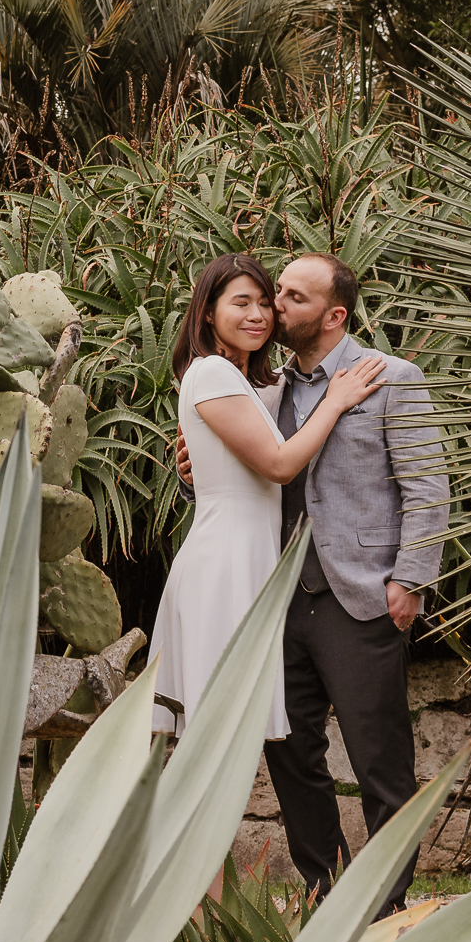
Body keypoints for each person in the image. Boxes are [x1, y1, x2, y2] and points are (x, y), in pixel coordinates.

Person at [176, 253, 449, 904]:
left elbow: (428, 488)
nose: (274, 307)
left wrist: (408, 579)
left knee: (380, 762)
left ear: (333, 315)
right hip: (277, 603)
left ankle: (384, 906)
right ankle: (329, 888)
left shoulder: (392, 378)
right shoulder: (264, 391)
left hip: (361, 598)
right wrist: (190, 478)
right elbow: (244, 474)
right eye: (274, 294)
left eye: (292, 298)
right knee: (291, 756)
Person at [154, 252, 387, 741]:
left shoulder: (251, 381)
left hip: (249, 561)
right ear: (207, 312)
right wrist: (336, 401)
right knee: (218, 732)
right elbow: (280, 465)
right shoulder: (214, 373)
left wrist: (192, 469)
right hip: (226, 564)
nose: (261, 314)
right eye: (242, 303)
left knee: (226, 729)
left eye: (266, 301)